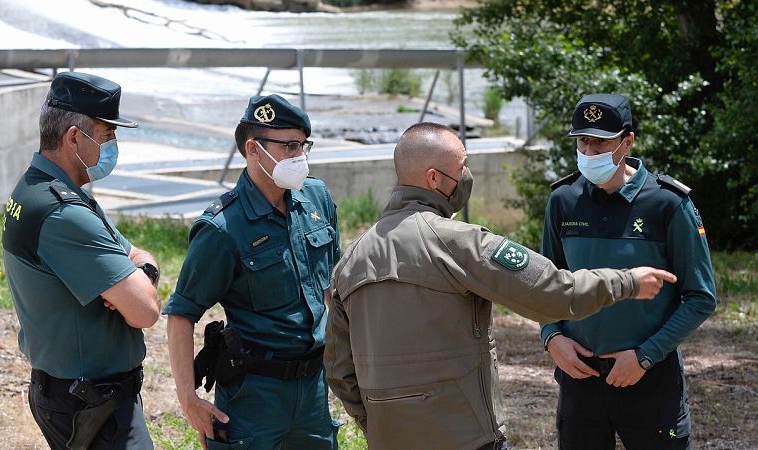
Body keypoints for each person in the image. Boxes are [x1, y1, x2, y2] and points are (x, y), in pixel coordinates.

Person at [324, 121, 677, 450]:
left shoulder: (352, 258)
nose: (466, 176)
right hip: (467, 436)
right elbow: (554, 292)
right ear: (434, 178)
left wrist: (378, 422)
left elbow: (339, 369)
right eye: (461, 167)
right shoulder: (458, 243)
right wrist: (627, 281)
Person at [540, 93, 717, 449]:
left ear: (627, 141)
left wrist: (645, 356)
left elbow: (700, 297)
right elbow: (547, 285)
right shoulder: (563, 200)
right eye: (583, 141)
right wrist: (552, 338)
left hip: (649, 378)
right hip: (580, 378)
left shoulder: (667, 203)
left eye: (600, 142)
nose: (589, 152)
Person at [164, 94, 341, 450]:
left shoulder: (316, 198)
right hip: (254, 394)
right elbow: (181, 316)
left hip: (313, 388)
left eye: (304, 146)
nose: (299, 157)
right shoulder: (222, 228)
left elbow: (331, 289)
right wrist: (189, 400)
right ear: (253, 149)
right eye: (289, 146)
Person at [2, 71, 161, 449]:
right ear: (75, 137)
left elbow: (137, 254)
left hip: (78, 396)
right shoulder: (63, 213)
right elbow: (145, 312)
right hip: (90, 404)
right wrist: (138, 284)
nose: (113, 146)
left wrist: (141, 272)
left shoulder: (45, 189)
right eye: (108, 135)